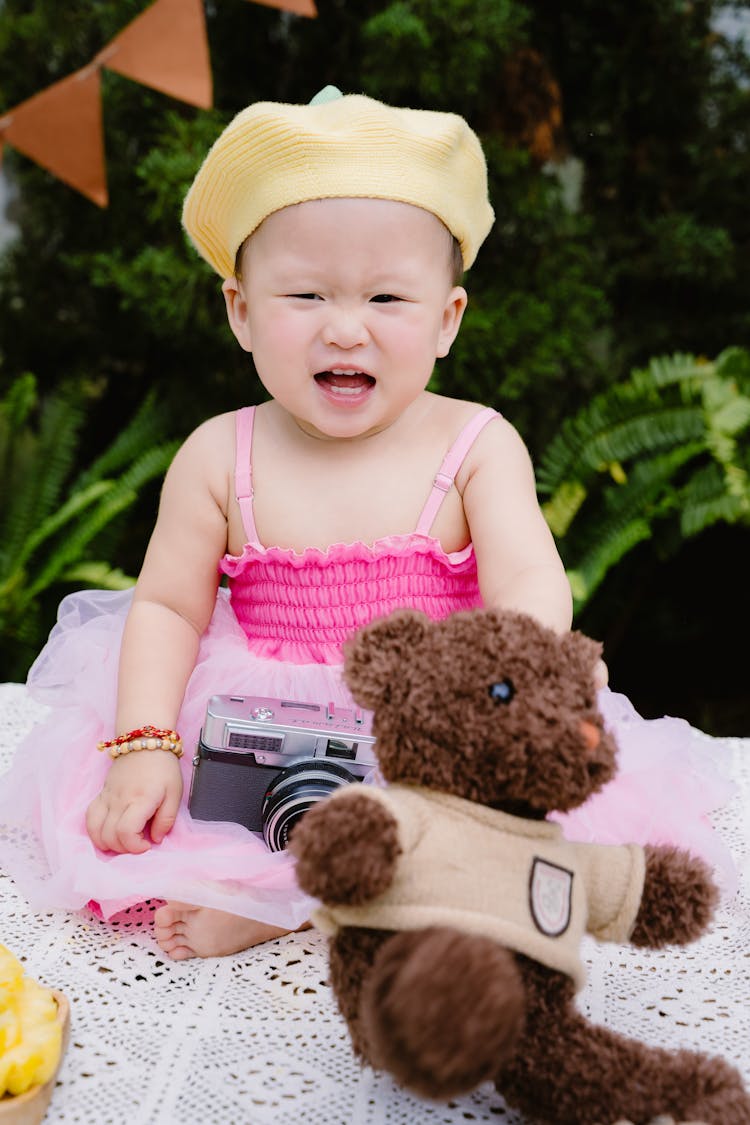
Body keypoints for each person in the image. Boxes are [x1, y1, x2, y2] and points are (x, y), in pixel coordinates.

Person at [0, 88, 735, 960]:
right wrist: (147, 743)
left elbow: (531, 583)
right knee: (152, 821)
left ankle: (296, 902)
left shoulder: (474, 445)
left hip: (428, 725)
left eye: (388, 299)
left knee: (508, 835)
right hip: (258, 722)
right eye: (305, 294)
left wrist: (513, 683)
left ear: (447, 319)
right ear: (240, 310)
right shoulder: (217, 455)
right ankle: (304, 886)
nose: (345, 330)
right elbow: (164, 608)